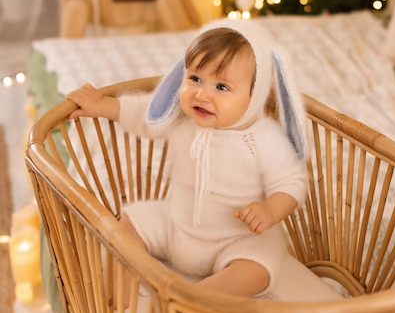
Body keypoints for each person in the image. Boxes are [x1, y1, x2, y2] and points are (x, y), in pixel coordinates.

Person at [66, 19, 308, 297]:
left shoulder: (263, 138)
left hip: (237, 239)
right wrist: (102, 105)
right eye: (194, 78)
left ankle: (191, 301)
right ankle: (119, 294)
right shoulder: (181, 118)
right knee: (129, 222)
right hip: (176, 229)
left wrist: (271, 209)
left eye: (221, 87)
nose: (202, 94)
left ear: (253, 97)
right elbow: (142, 113)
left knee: (258, 268)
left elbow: (292, 181)